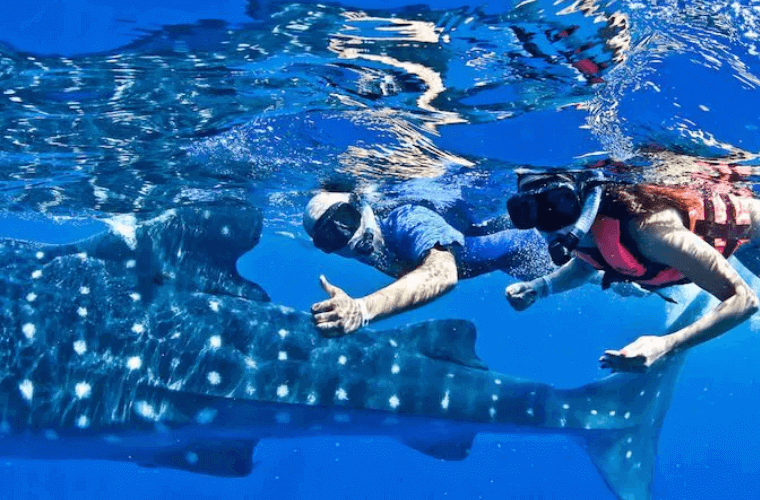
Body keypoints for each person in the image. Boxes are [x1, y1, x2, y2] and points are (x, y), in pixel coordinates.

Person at [504, 169, 760, 373]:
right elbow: (588, 262)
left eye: (559, 202)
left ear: (584, 195)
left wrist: (667, 345)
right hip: (737, 245)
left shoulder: (651, 230)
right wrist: (542, 286)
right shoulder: (585, 230)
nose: (551, 225)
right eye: (526, 211)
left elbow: (744, 300)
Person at [302, 191, 554, 335]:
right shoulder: (368, 250)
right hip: (513, 263)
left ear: (360, 206)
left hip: (542, 245)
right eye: (330, 237)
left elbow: (443, 274)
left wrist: (362, 310)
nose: (348, 237)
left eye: (345, 220)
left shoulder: (406, 219)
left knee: (590, 271)